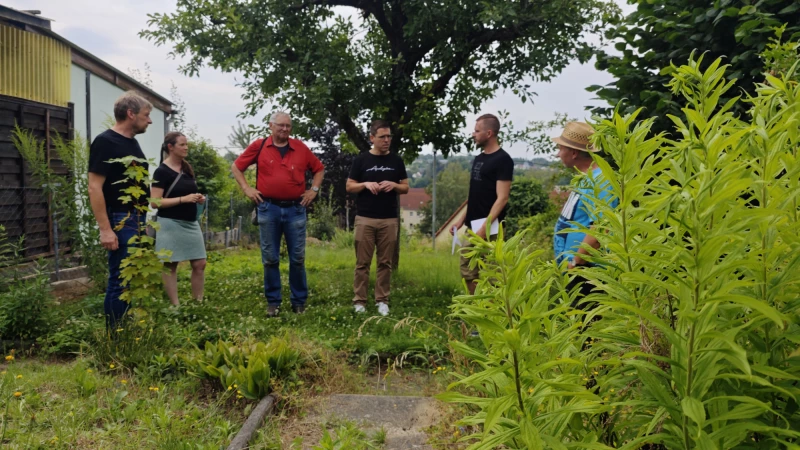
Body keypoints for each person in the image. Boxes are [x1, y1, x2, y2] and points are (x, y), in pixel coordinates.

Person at [231, 112, 325, 317]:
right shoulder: (260, 145)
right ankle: (273, 302)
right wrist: (247, 189)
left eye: (288, 126)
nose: (285, 129)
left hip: (295, 209)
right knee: (270, 258)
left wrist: (314, 190)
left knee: (297, 258)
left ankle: (299, 301)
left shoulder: (300, 147)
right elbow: (236, 167)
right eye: (281, 125)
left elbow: (319, 169)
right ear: (271, 126)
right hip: (268, 208)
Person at [88, 91, 153, 329]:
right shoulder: (106, 141)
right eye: (146, 115)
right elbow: (95, 187)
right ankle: (115, 339)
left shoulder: (132, 143)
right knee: (119, 280)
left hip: (135, 218)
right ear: (130, 114)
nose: (150, 120)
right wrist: (105, 229)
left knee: (130, 277)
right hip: (119, 217)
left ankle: (125, 331)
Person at [346, 120, 409, 316]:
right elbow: (349, 186)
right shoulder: (362, 160)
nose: (387, 140)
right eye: (382, 137)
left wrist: (394, 185)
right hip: (365, 218)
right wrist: (365, 184)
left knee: (385, 263)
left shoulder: (396, 161)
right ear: (372, 138)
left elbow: (406, 187)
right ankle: (360, 302)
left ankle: (382, 300)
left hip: (389, 219)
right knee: (362, 263)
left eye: (389, 136)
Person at [551, 121, 618, 308]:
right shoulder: (585, 178)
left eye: (560, 148)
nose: (557, 153)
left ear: (573, 152)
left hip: (587, 274)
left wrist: (576, 261)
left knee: (587, 330)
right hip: (578, 273)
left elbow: (600, 228)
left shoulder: (602, 180)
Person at [451, 114, 514, 295]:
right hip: (472, 227)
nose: (473, 134)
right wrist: (461, 221)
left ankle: (492, 315)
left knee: (492, 274)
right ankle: (476, 309)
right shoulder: (479, 159)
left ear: (489, 133)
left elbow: (502, 198)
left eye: (477, 131)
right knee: (468, 270)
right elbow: (475, 194)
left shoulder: (503, 160)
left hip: (491, 229)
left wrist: (484, 228)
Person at [150, 132, 207, 306]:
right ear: (170, 147)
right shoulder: (161, 171)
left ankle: (198, 303)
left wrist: (197, 198)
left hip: (190, 223)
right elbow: (155, 202)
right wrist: (183, 199)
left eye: (186, 144)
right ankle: (176, 305)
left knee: (200, 263)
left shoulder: (186, 168)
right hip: (169, 223)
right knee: (170, 265)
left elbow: (187, 192)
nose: (186, 147)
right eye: (182, 145)